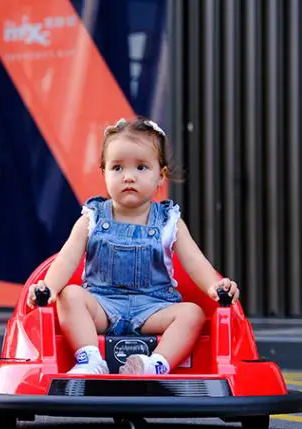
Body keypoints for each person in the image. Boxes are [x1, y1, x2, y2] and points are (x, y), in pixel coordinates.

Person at [27, 116, 240, 375]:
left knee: (192, 314)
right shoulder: (92, 217)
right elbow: (67, 258)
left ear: (160, 175)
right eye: (117, 168)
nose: (129, 177)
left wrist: (214, 286)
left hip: (153, 307)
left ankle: (155, 364)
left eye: (141, 167)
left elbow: (195, 261)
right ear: (103, 173)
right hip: (102, 305)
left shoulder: (169, 221)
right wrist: (48, 287)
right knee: (69, 296)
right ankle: (90, 359)